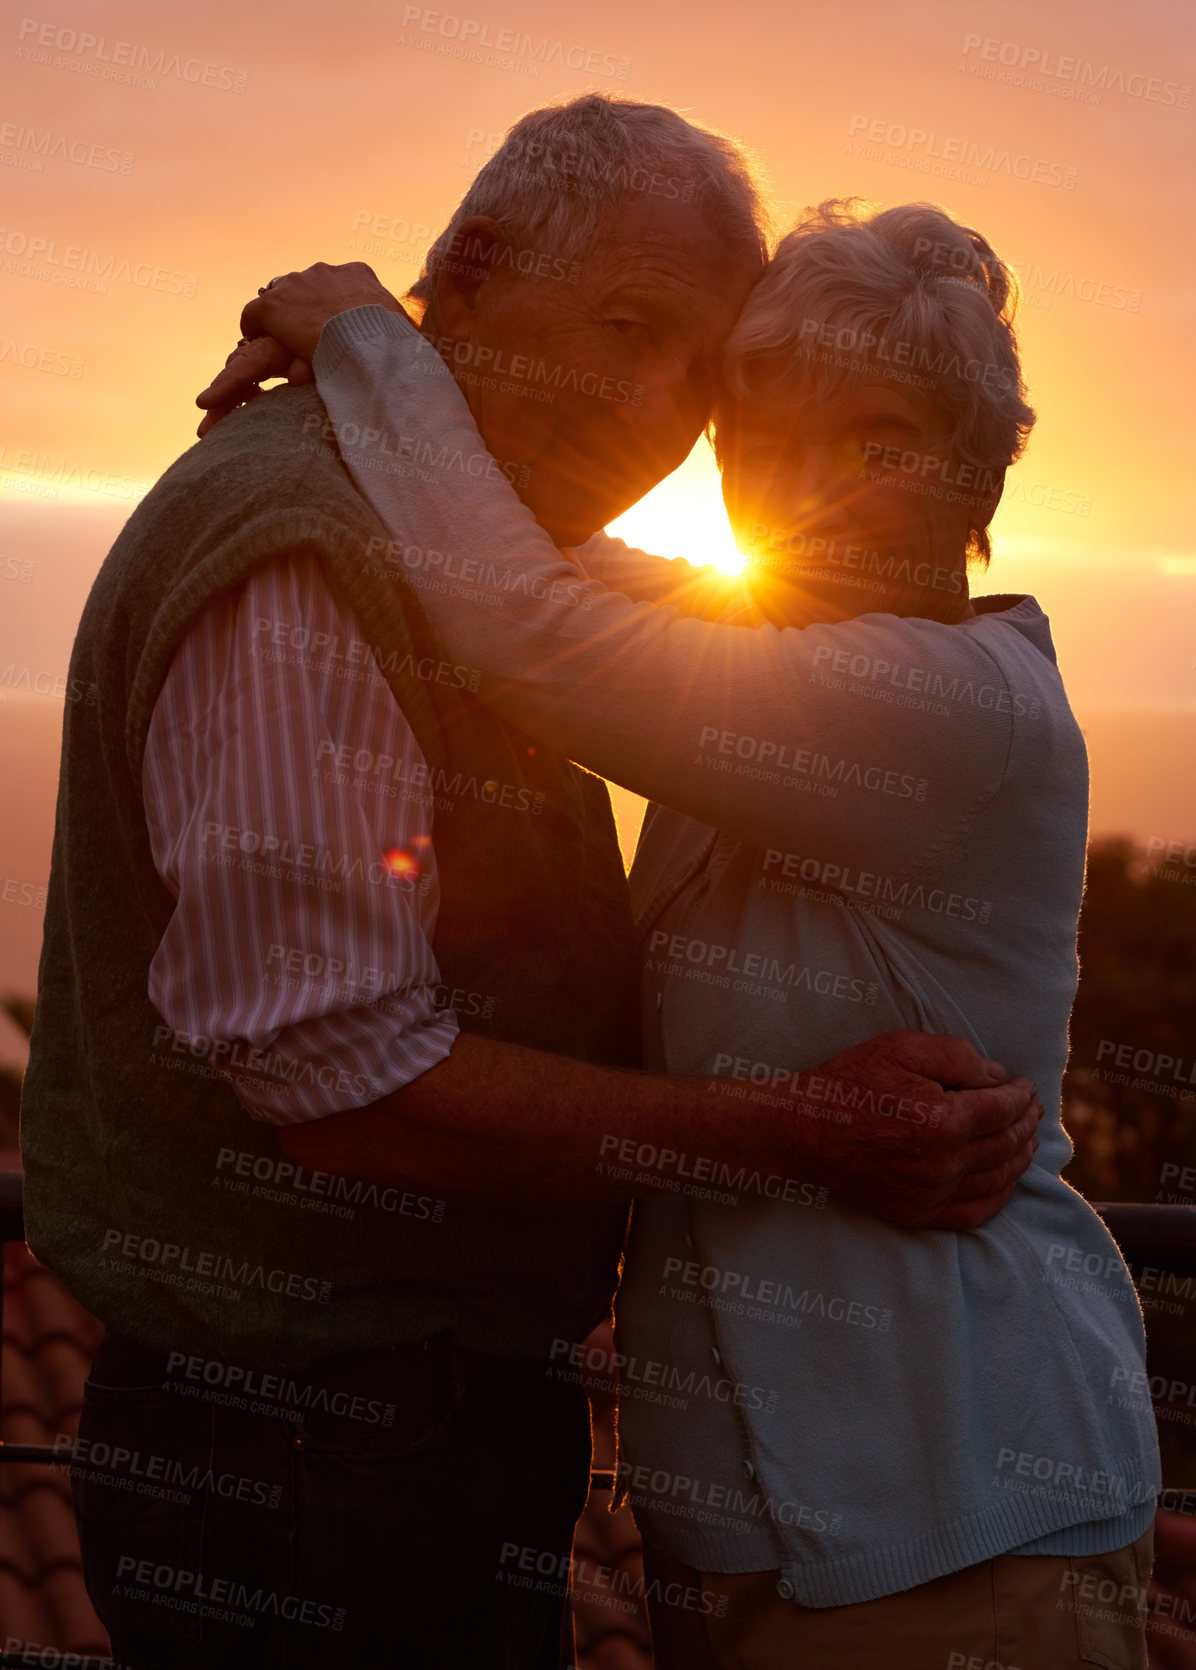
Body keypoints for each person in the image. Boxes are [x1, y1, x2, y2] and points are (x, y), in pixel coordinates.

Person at [18, 100, 1038, 1670]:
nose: (650, 414)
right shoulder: (318, 550)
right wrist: (804, 1132)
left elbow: (552, 613)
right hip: (325, 1450)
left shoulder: (499, 559)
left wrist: (372, 341)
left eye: (701, 382)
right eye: (627, 330)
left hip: (449, 1449)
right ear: (477, 268)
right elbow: (342, 1078)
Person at [209, 195, 1161, 1667]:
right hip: (750, 1538)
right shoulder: (767, 663)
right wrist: (383, 389)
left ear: (974, 475)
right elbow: (521, 556)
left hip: (964, 1512)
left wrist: (364, 335)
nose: (815, 480)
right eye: (762, 434)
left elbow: (528, 622)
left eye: (882, 436)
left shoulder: (954, 707)